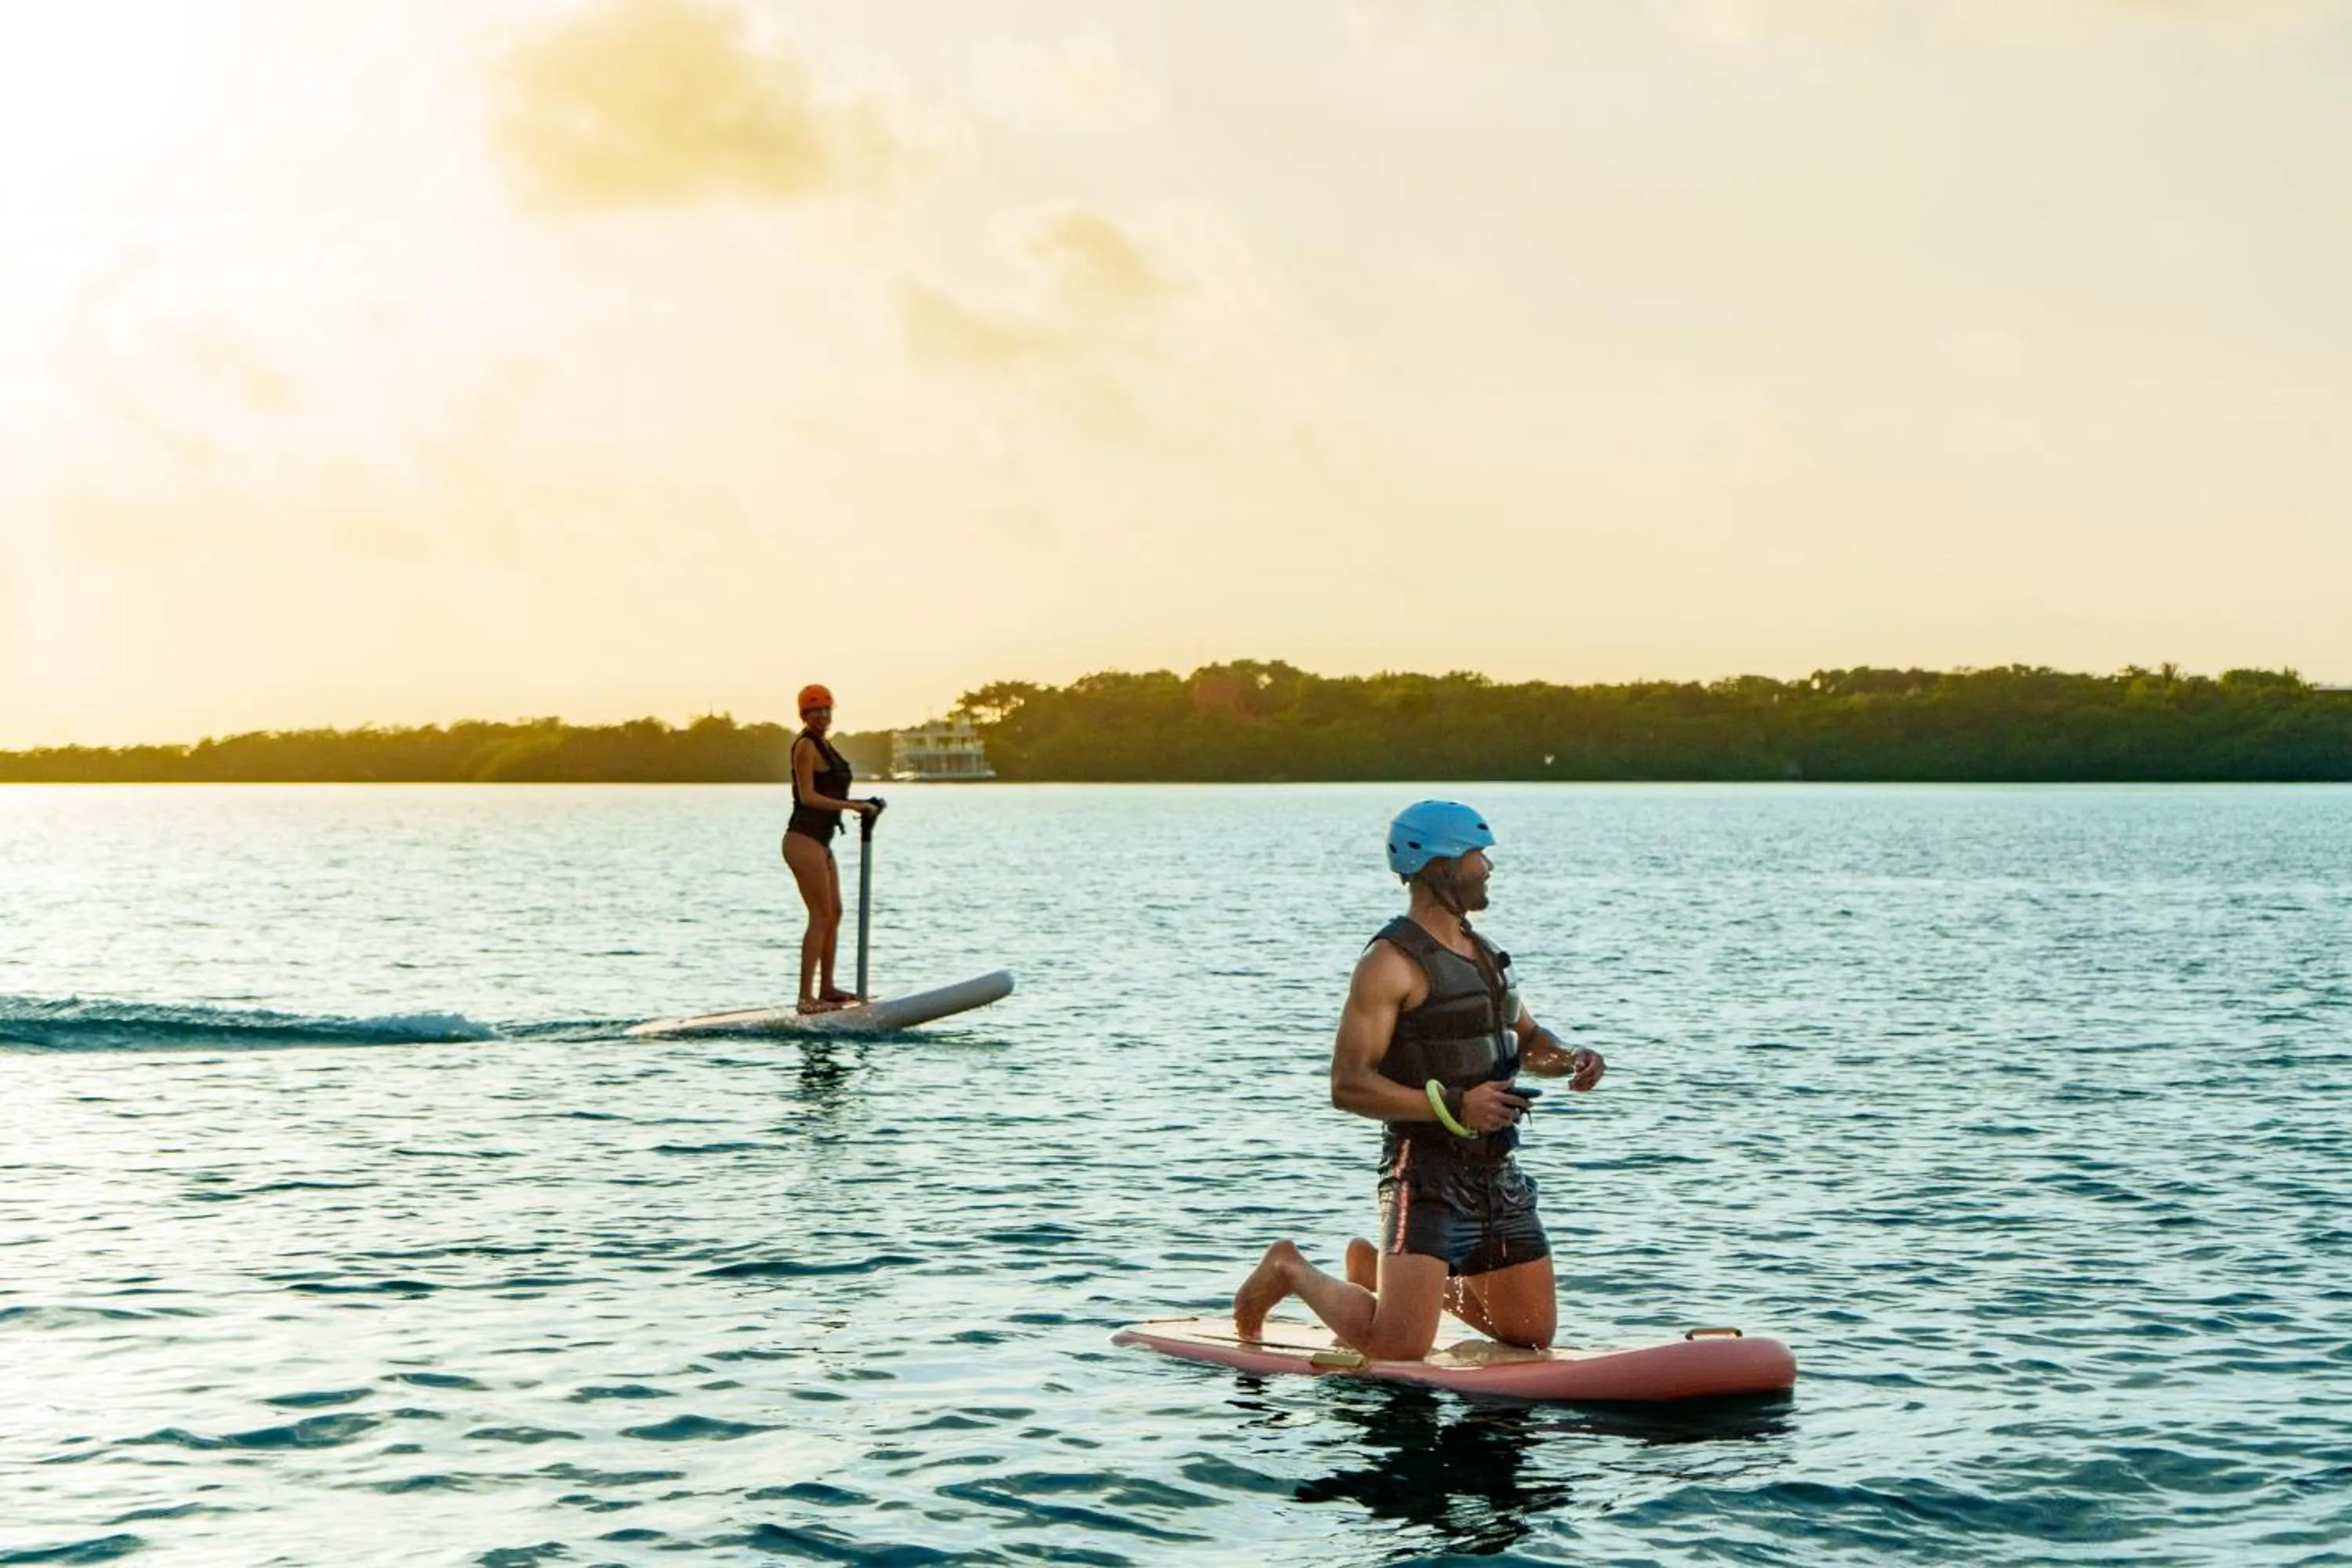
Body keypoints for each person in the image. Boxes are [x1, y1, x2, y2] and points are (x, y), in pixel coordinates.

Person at [1233, 800, 1606, 1360]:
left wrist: (1571, 1057)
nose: (1489, 868)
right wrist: (1455, 1104)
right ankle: (1289, 1268)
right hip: (1424, 1176)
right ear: (1443, 866)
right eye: (1479, 856)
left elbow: (1527, 1041)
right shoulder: (1389, 963)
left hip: (1498, 1173)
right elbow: (1348, 1085)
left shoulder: (1485, 955)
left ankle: (1380, 1276)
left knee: (1529, 1335)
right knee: (1397, 1346)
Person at [782, 684, 880, 1013]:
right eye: (815, 711)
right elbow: (808, 797)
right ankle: (805, 998)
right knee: (820, 915)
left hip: (822, 841)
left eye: (826, 709)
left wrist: (866, 804)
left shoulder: (827, 745)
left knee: (835, 912)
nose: (822, 715)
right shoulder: (806, 746)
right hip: (802, 839)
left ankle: (827, 988)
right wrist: (853, 805)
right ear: (805, 715)